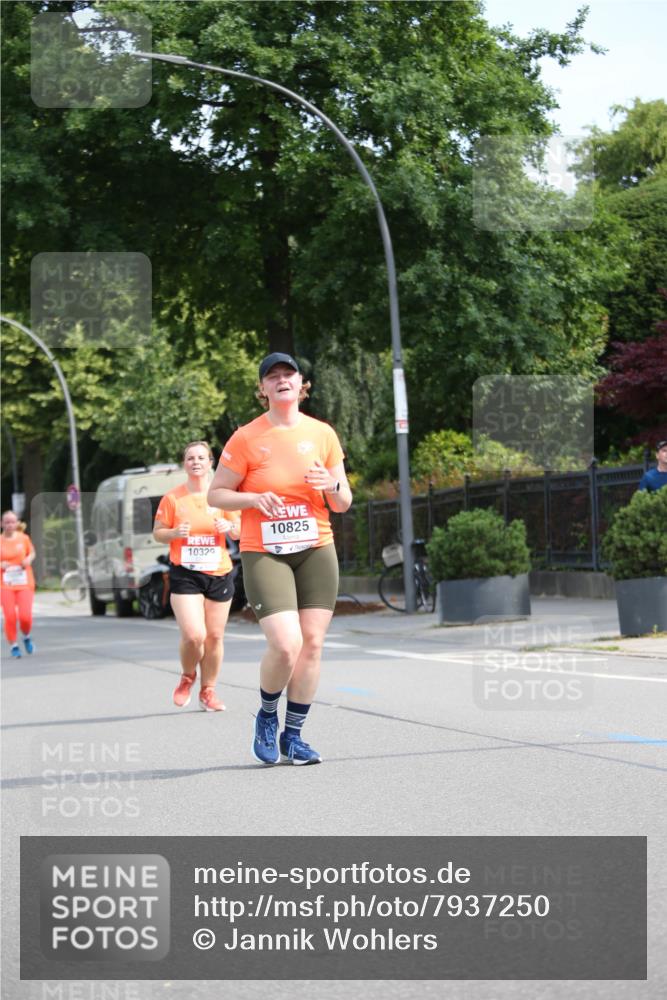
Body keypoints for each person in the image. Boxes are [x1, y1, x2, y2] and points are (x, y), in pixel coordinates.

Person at [208, 352, 352, 766]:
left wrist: (330, 485)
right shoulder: (247, 438)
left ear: (301, 383)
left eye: (288, 373)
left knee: (312, 644)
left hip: (315, 547)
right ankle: (267, 717)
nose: (282, 380)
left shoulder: (322, 434)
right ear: (263, 389)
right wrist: (253, 498)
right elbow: (216, 494)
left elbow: (343, 502)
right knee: (286, 644)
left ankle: (294, 737)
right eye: (273, 376)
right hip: (265, 551)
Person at [153, 441, 241, 711]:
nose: (196, 462)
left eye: (201, 457)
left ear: (211, 462)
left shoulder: (222, 495)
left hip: (219, 571)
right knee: (194, 635)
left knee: (214, 636)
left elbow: (239, 530)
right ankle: (188, 676)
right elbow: (158, 532)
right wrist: (174, 533)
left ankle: (208, 691)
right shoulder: (173, 498)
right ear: (184, 464)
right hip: (186, 573)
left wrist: (229, 526)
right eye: (190, 458)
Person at [1, 510, 36, 658]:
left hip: (24, 582)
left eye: (12, 522)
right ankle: (14, 645)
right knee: (10, 616)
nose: (10, 525)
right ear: (2, 524)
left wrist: (28, 560)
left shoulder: (24, 538)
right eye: (7, 522)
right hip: (5, 584)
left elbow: (32, 553)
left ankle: (26, 635)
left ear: (17, 523)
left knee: (25, 617)